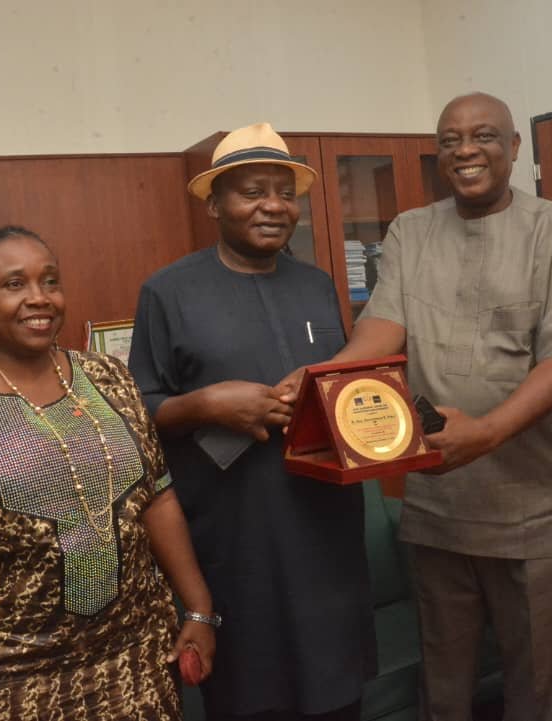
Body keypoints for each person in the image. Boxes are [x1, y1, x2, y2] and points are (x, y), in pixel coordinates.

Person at [319, 93, 552, 721]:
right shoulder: (410, 230)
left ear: (514, 146)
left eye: (483, 136)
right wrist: (322, 382)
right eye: (450, 140)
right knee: (444, 678)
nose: (466, 150)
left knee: (531, 679)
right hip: (439, 498)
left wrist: (486, 433)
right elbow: (382, 329)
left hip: (532, 501)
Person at [0, 225, 215, 721]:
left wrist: (198, 607)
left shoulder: (109, 378)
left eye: (50, 281)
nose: (39, 298)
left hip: (137, 659)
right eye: (15, 284)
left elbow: (157, 497)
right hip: (5, 677)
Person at [129, 122, 376, 721]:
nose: (273, 206)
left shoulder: (317, 285)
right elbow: (136, 412)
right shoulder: (168, 291)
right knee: (251, 693)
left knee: (336, 692)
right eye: (252, 192)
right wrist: (207, 405)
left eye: (285, 193)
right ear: (215, 204)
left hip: (325, 529)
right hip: (235, 534)